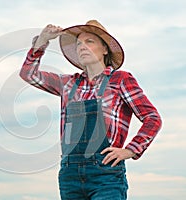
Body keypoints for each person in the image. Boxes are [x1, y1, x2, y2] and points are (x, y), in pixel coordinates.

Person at [19, 20, 162, 200]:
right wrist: (41, 43)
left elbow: (152, 118)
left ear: (104, 49)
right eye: (78, 44)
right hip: (70, 174)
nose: (82, 47)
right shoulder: (68, 83)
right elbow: (28, 74)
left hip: (106, 174)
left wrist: (131, 150)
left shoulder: (120, 79)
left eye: (89, 42)